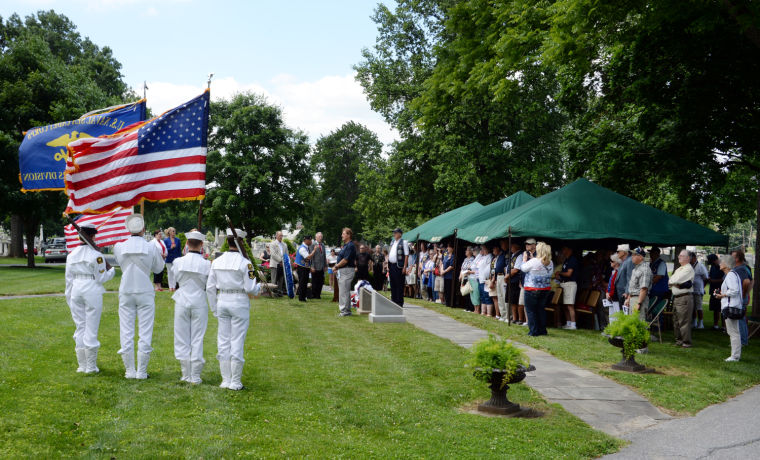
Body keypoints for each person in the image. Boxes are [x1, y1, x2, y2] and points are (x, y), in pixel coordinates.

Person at [206, 228, 261, 390]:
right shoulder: (247, 263)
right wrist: (258, 286)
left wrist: (214, 308)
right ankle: (235, 381)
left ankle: (225, 379)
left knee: (223, 340)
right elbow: (251, 289)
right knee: (236, 340)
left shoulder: (216, 261)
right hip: (239, 301)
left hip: (222, 299)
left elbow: (210, 288)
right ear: (241, 242)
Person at [113, 214, 165, 379]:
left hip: (126, 290)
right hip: (144, 291)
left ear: (128, 229)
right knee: (145, 331)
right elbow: (158, 269)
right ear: (143, 229)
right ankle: (141, 371)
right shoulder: (151, 247)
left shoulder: (119, 246)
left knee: (126, 331)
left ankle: (129, 370)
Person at [64, 223, 115, 374]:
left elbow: (68, 280)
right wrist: (111, 272)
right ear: (93, 236)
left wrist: (69, 297)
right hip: (91, 288)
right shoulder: (96, 255)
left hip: (76, 289)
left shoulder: (71, 255)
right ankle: (91, 366)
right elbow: (101, 278)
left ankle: (82, 365)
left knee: (80, 326)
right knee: (91, 327)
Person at [170, 231, 211, 384]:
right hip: (199, 300)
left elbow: (174, 279)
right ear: (201, 245)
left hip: (182, 300)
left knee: (181, 337)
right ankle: (195, 375)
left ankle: (186, 374)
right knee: (197, 338)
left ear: (187, 244)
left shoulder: (178, 262)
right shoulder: (207, 264)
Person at [521, 241, 554, 336]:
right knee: (541, 309)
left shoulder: (534, 261)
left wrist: (524, 259)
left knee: (531, 310)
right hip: (545, 289)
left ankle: (534, 331)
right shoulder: (550, 262)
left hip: (531, 289)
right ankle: (542, 330)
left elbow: (523, 268)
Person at [714, 255, 743, 361]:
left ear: (726, 264)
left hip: (731, 306)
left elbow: (734, 290)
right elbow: (733, 290)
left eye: (722, 262)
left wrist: (722, 295)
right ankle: (735, 355)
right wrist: (721, 293)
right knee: (734, 331)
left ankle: (735, 356)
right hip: (733, 305)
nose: (720, 264)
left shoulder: (730, 275)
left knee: (733, 332)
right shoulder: (732, 274)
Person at [669, 249, 696, 348]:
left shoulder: (688, 268)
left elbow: (676, 280)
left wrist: (673, 282)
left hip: (684, 298)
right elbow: (671, 280)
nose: (679, 257)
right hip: (677, 297)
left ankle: (686, 342)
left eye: (681, 255)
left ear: (688, 258)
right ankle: (679, 340)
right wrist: (674, 282)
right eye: (679, 255)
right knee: (676, 320)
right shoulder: (680, 269)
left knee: (684, 320)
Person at [333, 228, 357, 316]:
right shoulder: (346, 245)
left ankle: (345, 311)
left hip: (347, 270)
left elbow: (345, 260)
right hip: (343, 270)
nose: (342, 235)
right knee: (343, 291)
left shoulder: (350, 245)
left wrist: (336, 266)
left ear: (348, 235)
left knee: (344, 291)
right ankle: (345, 310)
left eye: (343, 234)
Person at [556, 245, 579, 330]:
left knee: (570, 305)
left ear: (569, 250)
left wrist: (560, 273)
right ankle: (568, 323)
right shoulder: (566, 260)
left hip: (570, 284)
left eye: (565, 249)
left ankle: (573, 324)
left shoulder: (572, 260)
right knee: (565, 305)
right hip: (564, 283)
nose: (563, 251)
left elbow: (569, 273)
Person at [626, 247, 652, 322]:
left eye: (634, 255)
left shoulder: (645, 269)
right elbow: (633, 286)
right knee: (632, 323)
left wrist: (639, 303)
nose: (632, 256)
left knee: (638, 323)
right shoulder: (636, 268)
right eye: (632, 254)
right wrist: (628, 298)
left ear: (640, 257)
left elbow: (644, 289)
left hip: (639, 299)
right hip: (633, 298)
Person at [731, 250, 752, 346]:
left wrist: (743, 294)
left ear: (737, 258)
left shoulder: (741, 269)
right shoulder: (742, 268)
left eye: (732, 257)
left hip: (740, 298)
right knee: (739, 319)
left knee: (740, 320)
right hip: (740, 297)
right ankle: (741, 340)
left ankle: (742, 341)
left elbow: (747, 282)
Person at [515, 238, 537, 324]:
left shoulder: (538, 255)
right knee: (523, 303)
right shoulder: (525, 254)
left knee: (531, 303)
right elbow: (522, 269)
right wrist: (521, 280)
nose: (527, 245)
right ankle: (527, 321)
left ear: (534, 245)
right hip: (525, 282)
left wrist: (532, 258)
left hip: (533, 283)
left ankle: (532, 321)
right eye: (526, 244)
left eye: (529, 244)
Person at [388, 228, 409, 307]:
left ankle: (399, 302)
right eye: (394, 233)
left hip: (399, 266)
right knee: (393, 283)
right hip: (392, 265)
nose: (394, 234)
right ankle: (394, 300)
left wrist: (404, 267)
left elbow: (406, 255)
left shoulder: (404, 242)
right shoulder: (393, 242)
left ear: (400, 234)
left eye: (395, 233)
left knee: (399, 284)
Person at [505, 241, 524, 324]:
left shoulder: (520, 255)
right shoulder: (513, 255)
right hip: (510, 281)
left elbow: (516, 270)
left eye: (512, 245)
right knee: (512, 301)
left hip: (515, 281)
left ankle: (520, 319)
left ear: (517, 246)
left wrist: (506, 276)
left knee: (517, 301)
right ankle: (514, 318)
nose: (511, 247)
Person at [294, 235, 315, 302]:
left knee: (304, 282)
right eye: (310, 240)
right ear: (306, 240)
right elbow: (307, 257)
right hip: (302, 268)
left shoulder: (306, 248)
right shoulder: (302, 248)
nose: (311, 242)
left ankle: (303, 296)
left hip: (305, 267)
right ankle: (301, 298)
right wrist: (314, 251)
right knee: (302, 282)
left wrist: (309, 267)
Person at [614, 244, 634, 314]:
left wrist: (627, 292)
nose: (617, 253)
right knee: (621, 313)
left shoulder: (629, 261)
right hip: (620, 292)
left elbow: (630, 278)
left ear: (624, 252)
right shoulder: (624, 261)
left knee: (625, 313)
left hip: (624, 293)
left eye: (618, 251)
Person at [706, 254, 725, 330]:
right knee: (715, 308)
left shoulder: (723, 266)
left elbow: (724, 279)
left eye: (712, 262)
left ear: (715, 260)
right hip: (714, 289)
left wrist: (713, 280)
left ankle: (724, 326)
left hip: (721, 290)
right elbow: (710, 276)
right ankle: (715, 325)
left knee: (722, 308)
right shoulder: (713, 267)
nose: (712, 264)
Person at [690, 252, 708, 329]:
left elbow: (706, 278)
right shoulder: (689, 266)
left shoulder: (701, 266)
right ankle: (694, 322)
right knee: (692, 307)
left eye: (690, 258)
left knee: (699, 307)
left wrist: (702, 287)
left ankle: (701, 323)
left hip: (698, 289)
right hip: (691, 290)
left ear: (694, 258)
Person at [475, 245, 493, 316]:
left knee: (487, 296)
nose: (482, 250)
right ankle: (483, 312)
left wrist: (486, 278)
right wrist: (479, 254)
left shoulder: (489, 256)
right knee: (482, 296)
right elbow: (475, 263)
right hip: (479, 279)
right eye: (481, 249)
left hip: (485, 279)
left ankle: (489, 313)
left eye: (483, 249)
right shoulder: (481, 257)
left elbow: (488, 268)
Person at [309, 232, 328, 299]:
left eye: (321, 237)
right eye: (319, 236)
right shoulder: (312, 244)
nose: (321, 238)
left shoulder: (322, 245)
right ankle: (313, 294)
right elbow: (311, 256)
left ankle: (318, 294)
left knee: (320, 281)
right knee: (315, 281)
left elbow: (324, 256)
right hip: (315, 266)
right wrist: (312, 266)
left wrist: (326, 265)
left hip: (322, 266)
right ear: (316, 237)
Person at [163, 227, 182, 291]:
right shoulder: (166, 240)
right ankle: (170, 287)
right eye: (173, 231)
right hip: (169, 258)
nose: (174, 232)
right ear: (169, 232)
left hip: (176, 258)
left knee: (175, 273)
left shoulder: (178, 240)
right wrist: (171, 248)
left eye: (174, 231)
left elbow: (179, 250)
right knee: (170, 273)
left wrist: (180, 258)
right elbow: (165, 250)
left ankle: (174, 287)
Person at [268, 231, 286, 296]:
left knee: (281, 279)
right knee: (274, 279)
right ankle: (273, 292)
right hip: (275, 264)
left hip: (282, 265)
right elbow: (273, 254)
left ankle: (279, 292)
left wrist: (285, 261)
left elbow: (286, 254)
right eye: (280, 235)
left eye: (282, 235)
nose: (281, 237)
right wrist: (281, 260)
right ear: (276, 236)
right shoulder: (272, 244)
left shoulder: (284, 244)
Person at [459, 246, 475, 312]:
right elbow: (462, 268)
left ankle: (470, 308)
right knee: (464, 291)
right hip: (463, 277)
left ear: (470, 252)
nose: (465, 251)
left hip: (469, 277)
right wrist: (460, 275)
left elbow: (470, 268)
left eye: (467, 250)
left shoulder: (472, 259)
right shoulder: (465, 259)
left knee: (469, 292)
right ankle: (466, 307)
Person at [606, 253, 622, 321]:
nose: (610, 262)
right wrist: (607, 292)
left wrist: (610, 294)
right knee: (611, 315)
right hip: (611, 297)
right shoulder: (614, 271)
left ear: (616, 262)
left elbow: (616, 286)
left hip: (616, 297)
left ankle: (616, 330)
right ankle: (611, 330)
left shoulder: (619, 272)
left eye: (612, 261)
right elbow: (610, 284)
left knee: (617, 316)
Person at [441, 242, 455, 307]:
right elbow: (442, 263)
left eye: (449, 247)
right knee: (445, 289)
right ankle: (446, 302)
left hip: (450, 276)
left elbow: (451, 266)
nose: (447, 248)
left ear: (452, 248)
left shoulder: (453, 256)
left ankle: (449, 303)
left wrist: (444, 271)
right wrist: (441, 270)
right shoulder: (446, 255)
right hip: (445, 276)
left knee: (449, 290)